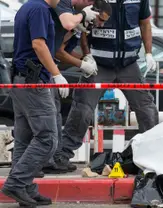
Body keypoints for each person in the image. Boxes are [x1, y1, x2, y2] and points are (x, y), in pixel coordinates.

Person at [51, 0, 159, 173]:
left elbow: (145, 23)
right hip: (98, 64)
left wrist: (148, 53)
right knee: (82, 109)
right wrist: (87, 56)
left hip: (128, 64)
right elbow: (85, 27)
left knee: (146, 108)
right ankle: (61, 155)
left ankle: (155, 155)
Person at [1, 0, 70, 206]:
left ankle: (25, 188)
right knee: (48, 139)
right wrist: (57, 74)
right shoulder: (39, 9)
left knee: (25, 139)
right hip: (34, 83)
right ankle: (16, 183)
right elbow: (38, 44)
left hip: (22, 81)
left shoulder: (29, 7)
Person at [42, 0, 104, 174]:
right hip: (45, 72)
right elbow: (58, 51)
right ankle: (45, 160)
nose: (94, 26)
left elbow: (69, 48)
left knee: (54, 116)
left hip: (49, 72)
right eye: (93, 22)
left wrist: (86, 58)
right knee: (48, 117)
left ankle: (52, 159)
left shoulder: (79, 25)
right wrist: (81, 64)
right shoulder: (68, 14)